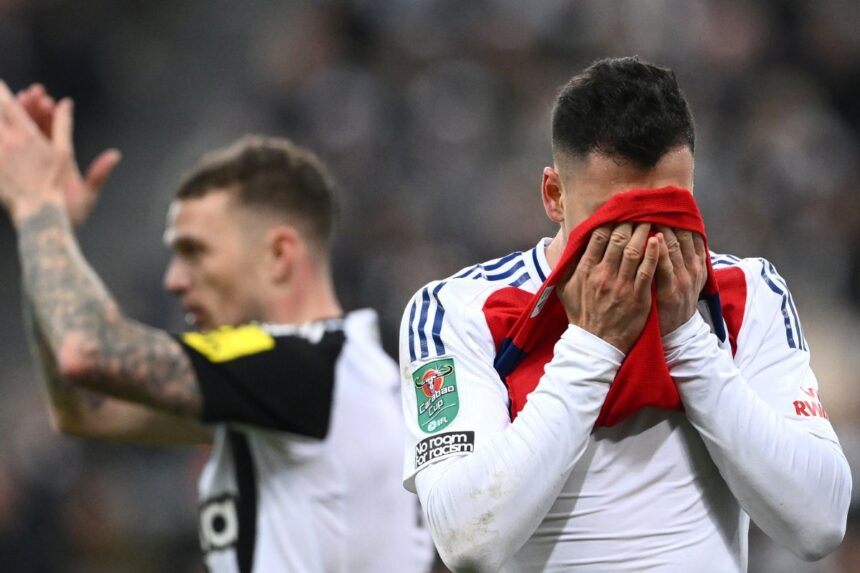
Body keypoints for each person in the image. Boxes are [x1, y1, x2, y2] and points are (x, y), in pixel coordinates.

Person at [399, 57, 851, 572]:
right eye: (614, 220)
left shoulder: (744, 293)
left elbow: (819, 523)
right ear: (554, 196)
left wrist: (687, 340)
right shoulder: (459, 312)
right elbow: (467, 541)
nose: (641, 245)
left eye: (668, 214)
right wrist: (592, 345)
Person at [0, 82, 433, 573]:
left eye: (195, 252)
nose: (174, 280)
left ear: (279, 254)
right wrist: (49, 234)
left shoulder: (305, 366)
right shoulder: (325, 379)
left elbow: (86, 352)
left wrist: (38, 208)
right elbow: (85, 410)